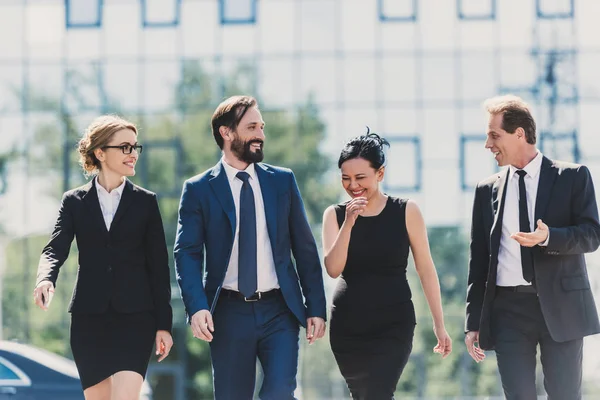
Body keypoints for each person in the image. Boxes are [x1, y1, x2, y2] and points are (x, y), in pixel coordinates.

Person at [174, 95, 327, 400]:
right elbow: (187, 252)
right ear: (226, 132)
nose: (261, 134)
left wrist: (316, 307)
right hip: (228, 313)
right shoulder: (199, 189)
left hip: (279, 309)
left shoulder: (282, 182)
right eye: (252, 127)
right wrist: (197, 306)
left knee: (280, 392)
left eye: (262, 127)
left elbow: (305, 248)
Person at [465, 95, 600, 399]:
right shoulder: (486, 189)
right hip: (508, 311)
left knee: (565, 395)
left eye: (494, 135)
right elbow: (479, 261)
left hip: (562, 306)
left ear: (520, 134)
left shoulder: (573, 177)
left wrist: (549, 236)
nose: (488, 144)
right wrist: (473, 322)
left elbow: (592, 234)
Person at [33, 115, 173, 400]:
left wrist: (163, 325)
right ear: (100, 152)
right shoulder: (74, 201)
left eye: (135, 147)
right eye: (124, 147)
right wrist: (45, 278)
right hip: (89, 318)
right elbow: (55, 247)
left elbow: (158, 267)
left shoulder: (146, 202)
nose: (133, 154)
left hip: (136, 318)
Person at [322, 130, 452, 400]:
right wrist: (349, 223)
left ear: (380, 174)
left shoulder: (406, 211)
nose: (353, 185)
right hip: (348, 326)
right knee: (364, 395)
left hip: (393, 323)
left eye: (360, 178)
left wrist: (439, 324)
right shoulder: (334, 215)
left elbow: (426, 269)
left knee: (378, 392)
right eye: (346, 178)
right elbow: (333, 269)